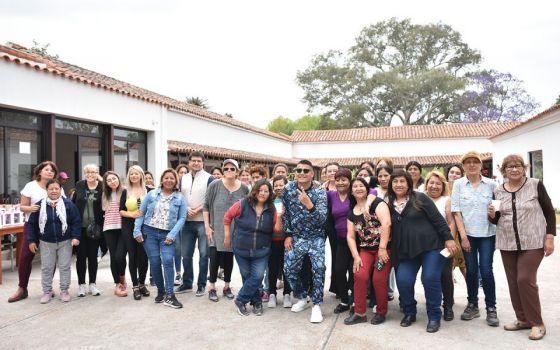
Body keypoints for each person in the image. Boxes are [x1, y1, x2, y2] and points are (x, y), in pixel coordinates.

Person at [488, 154, 556, 340]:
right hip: (507, 242)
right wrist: (492, 214)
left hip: (533, 241)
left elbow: (550, 212)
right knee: (513, 282)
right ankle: (523, 319)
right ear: (504, 171)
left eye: (517, 165)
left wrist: (550, 237)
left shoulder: (535, 184)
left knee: (525, 279)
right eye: (510, 167)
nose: (514, 169)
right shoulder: (498, 191)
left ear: (523, 168)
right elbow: (496, 220)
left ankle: (537, 323)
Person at [389, 170, 457, 333]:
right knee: (403, 280)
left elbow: (438, 220)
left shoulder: (420, 198)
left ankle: (434, 316)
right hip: (407, 250)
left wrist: (448, 239)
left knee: (430, 278)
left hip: (431, 246)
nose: (399, 185)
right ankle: (409, 312)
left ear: (408, 183)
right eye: (395, 181)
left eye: (402, 181)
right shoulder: (388, 202)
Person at [451, 151, 499, 327]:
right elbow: (456, 212)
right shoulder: (458, 184)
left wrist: (495, 213)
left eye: (475, 162)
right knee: (471, 270)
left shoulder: (492, 185)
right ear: (463, 166)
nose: (471, 165)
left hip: (487, 235)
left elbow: (498, 210)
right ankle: (472, 305)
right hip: (468, 235)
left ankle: (491, 308)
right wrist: (463, 236)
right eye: (467, 162)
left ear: (481, 165)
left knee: (486, 271)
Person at [224, 179, 283, 316]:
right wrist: (227, 236)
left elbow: (278, 230)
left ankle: (240, 300)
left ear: (270, 193)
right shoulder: (242, 204)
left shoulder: (272, 208)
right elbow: (227, 217)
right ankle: (256, 302)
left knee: (257, 276)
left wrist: (279, 217)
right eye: (260, 190)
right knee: (247, 277)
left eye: (266, 191)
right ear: (255, 191)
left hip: (261, 250)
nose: (262, 193)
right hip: (241, 248)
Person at [134, 168, 187, 309]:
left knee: (168, 260)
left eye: (172, 178)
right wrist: (136, 230)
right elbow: (141, 213)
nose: (169, 180)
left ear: (176, 181)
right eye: (166, 178)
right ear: (162, 180)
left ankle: (170, 295)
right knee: (155, 262)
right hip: (149, 232)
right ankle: (161, 291)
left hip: (167, 235)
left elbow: (182, 218)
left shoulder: (180, 198)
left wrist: (172, 234)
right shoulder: (151, 194)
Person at [8, 161, 61, 303]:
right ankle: (22, 288)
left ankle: (48, 288)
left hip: (50, 228)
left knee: (50, 259)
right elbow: (22, 207)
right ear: (39, 172)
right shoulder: (31, 186)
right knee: (25, 256)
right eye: (46, 169)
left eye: (52, 171)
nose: (50, 172)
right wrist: (30, 208)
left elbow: (63, 204)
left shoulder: (54, 187)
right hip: (32, 226)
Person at [282, 160, 328, 323]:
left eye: (305, 170)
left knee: (319, 268)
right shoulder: (288, 189)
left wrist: (310, 205)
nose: (301, 173)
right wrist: (287, 234)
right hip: (297, 237)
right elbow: (285, 213)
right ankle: (302, 297)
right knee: (289, 269)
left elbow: (323, 220)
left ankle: (316, 304)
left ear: (311, 174)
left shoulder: (320, 193)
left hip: (316, 237)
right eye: (298, 170)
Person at [344, 177, 391, 325]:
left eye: (361, 186)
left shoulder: (377, 203)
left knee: (378, 279)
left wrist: (382, 248)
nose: (358, 188)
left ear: (367, 188)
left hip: (383, 249)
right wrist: (356, 256)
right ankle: (360, 313)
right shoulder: (352, 212)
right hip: (365, 250)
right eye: (355, 186)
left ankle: (381, 312)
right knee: (360, 275)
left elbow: (386, 223)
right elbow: (350, 236)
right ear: (351, 191)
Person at [27, 180, 81, 303]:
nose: (54, 191)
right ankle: (47, 291)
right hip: (46, 242)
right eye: (51, 189)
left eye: (56, 188)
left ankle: (64, 290)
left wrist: (76, 237)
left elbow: (76, 221)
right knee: (46, 268)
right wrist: (31, 241)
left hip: (65, 241)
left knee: (64, 267)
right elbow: (32, 224)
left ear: (60, 189)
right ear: (47, 190)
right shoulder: (39, 205)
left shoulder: (68, 204)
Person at [204, 159, 249, 302]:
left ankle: (227, 286)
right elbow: (205, 206)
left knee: (229, 259)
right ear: (223, 170)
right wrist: (207, 226)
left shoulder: (244, 188)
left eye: (232, 169)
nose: (229, 171)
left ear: (237, 171)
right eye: (226, 169)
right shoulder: (214, 185)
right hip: (215, 229)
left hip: (235, 231)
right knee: (214, 258)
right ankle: (211, 287)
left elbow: (247, 209)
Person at [176, 151, 214, 297]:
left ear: (203, 163)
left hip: (202, 222)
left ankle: (201, 285)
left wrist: (197, 209)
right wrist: (186, 209)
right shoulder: (182, 178)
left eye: (199, 161)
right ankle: (186, 283)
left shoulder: (209, 178)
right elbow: (179, 196)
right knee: (186, 255)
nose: (196, 163)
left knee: (204, 255)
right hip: (186, 222)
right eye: (194, 161)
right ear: (189, 162)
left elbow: (209, 199)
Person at [424, 171, 457, 321]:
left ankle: (448, 306)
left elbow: (451, 222)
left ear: (443, 185)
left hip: (443, 243)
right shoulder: (421, 198)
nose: (434, 186)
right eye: (431, 183)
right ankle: (432, 303)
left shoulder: (446, 200)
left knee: (445, 275)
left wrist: (450, 240)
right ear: (426, 184)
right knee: (430, 277)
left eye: (438, 183)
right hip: (425, 245)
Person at [327, 169, 356, 314]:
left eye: (344, 179)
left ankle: (356, 301)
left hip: (356, 241)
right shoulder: (331, 195)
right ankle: (344, 301)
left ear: (350, 181)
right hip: (340, 240)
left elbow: (372, 193)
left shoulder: (355, 195)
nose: (340, 182)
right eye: (338, 179)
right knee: (338, 270)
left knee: (354, 272)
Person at [120, 165, 150, 300]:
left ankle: (143, 284)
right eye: (131, 174)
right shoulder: (125, 191)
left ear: (141, 175)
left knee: (143, 256)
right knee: (132, 256)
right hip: (128, 227)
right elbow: (121, 211)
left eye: (136, 173)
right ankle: (135, 286)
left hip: (146, 227)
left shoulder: (149, 190)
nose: (134, 176)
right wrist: (132, 215)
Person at [73, 164, 103, 297]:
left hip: (95, 229)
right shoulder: (79, 185)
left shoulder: (102, 187)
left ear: (97, 173)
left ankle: (92, 284)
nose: (90, 175)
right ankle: (81, 285)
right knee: (80, 257)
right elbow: (73, 204)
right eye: (87, 172)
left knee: (92, 257)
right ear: (84, 174)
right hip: (80, 227)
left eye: (93, 172)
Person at [267, 175, 292, 308]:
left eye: (281, 185)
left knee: (286, 267)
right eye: (275, 185)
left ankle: (287, 294)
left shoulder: (290, 201)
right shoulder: (269, 201)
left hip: (286, 240)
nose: (278, 187)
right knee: (272, 267)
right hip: (272, 240)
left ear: (286, 185)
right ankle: (272, 293)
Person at [101, 171, 128, 297]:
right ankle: (117, 284)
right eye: (109, 180)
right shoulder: (104, 195)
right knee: (113, 257)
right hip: (109, 228)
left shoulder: (126, 191)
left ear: (118, 178)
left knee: (120, 256)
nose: (112, 181)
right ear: (106, 183)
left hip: (123, 228)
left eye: (114, 178)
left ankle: (122, 276)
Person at [445, 164, 467, 279]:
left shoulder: (464, 190)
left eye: (457, 173)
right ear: (447, 174)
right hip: (446, 231)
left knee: (464, 264)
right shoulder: (441, 188)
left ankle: (472, 292)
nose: (454, 175)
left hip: (461, 230)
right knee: (447, 264)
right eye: (452, 172)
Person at [173, 164, 188, 284]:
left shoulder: (188, 186)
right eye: (180, 172)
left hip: (187, 221)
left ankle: (184, 274)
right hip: (174, 221)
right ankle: (178, 273)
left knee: (185, 250)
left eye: (185, 172)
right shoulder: (173, 186)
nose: (182, 175)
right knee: (177, 248)